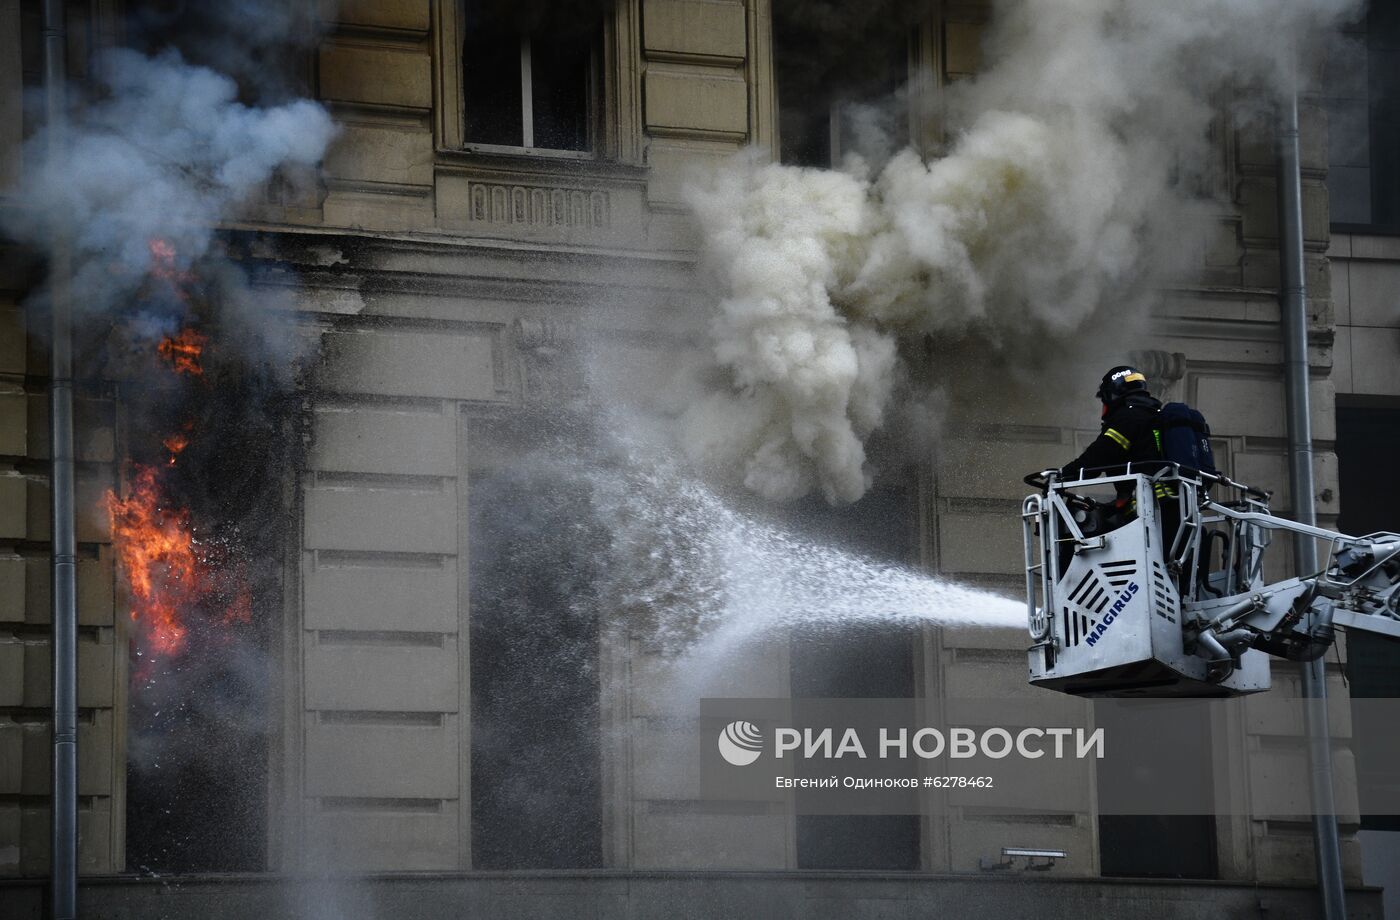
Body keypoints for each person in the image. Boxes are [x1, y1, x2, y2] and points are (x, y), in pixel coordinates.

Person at [1059, 365, 1180, 559]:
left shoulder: (1128, 416)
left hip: (1148, 508)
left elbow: (1100, 455)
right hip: (1166, 507)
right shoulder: (1152, 414)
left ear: (1112, 395)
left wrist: (1062, 475)